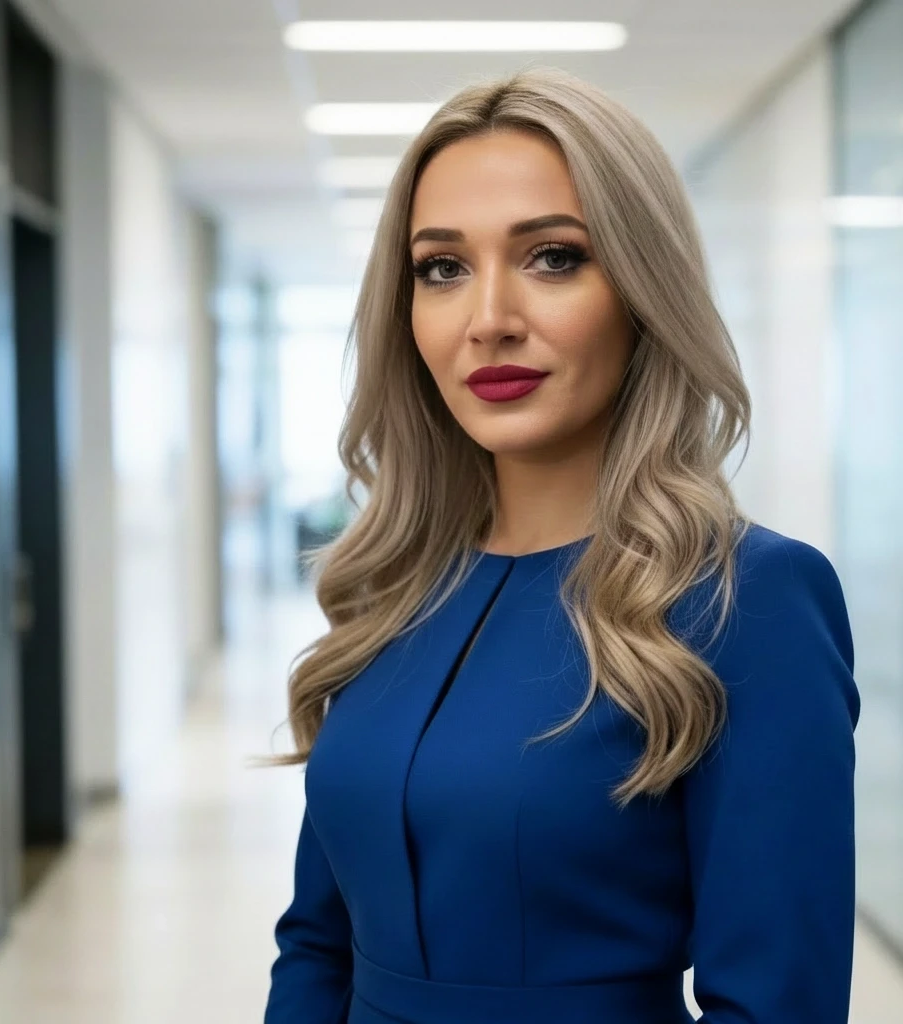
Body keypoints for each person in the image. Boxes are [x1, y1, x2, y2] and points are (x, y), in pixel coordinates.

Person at [261, 65, 860, 1024]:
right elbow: (317, 944)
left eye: (552, 257)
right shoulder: (395, 588)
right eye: (442, 268)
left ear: (643, 288)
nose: (489, 319)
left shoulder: (747, 601)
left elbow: (777, 1000)